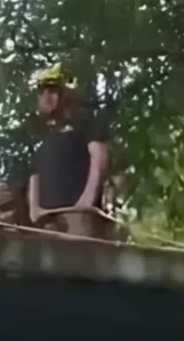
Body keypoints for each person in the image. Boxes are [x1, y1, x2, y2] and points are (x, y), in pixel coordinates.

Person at [26, 63, 110, 238]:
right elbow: (34, 173)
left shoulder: (84, 121)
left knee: (79, 262)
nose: (47, 97)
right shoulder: (41, 134)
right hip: (47, 220)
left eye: (53, 91)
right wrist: (34, 208)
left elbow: (99, 155)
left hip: (78, 215)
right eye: (42, 92)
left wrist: (88, 199)